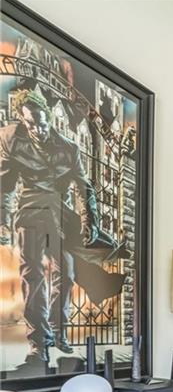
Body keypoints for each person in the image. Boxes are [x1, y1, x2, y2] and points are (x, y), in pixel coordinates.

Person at [0, 87, 124, 370]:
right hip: (30, 212)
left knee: (66, 276)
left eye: (43, 122)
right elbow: (5, 183)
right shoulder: (11, 138)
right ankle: (39, 344)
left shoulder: (68, 147)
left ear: (49, 118)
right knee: (33, 278)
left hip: (61, 215)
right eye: (31, 123)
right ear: (23, 119)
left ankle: (59, 330)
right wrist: (2, 218)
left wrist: (89, 222)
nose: (39, 129)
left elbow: (84, 187)